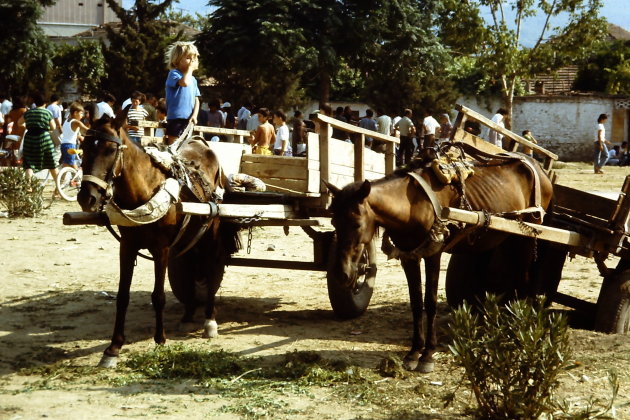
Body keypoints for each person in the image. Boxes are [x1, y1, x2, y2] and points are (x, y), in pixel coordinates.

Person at [18, 92, 59, 195]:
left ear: (35, 103)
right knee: (52, 163)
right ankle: (58, 187)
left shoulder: (28, 112)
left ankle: (28, 186)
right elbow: (53, 127)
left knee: (29, 164)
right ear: (45, 103)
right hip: (44, 138)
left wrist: (29, 126)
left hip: (30, 138)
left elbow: (19, 123)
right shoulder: (47, 112)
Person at [164, 41, 201, 145]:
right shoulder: (174, 74)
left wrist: (194, 115)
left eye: (194, 58)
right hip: (176, 117)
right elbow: (184, 83)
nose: (192, 61)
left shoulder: (193, 80)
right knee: (174, 145)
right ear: (176, 61)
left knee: (186, 146)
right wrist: (190, 69)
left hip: (189, 119)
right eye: (188, 58)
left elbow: (196, 99)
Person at [60, 102, 89, 169]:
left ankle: (61, 179)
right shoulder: (76, 122)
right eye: (81, 113)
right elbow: (87, 130)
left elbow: (70, 133)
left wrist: (80, 137)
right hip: (70, 146)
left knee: (66, 164)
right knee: (73, 164)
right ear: (75, 113)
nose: (82, 115)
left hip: (63, 145)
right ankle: (79, 178)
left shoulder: (66, 121)